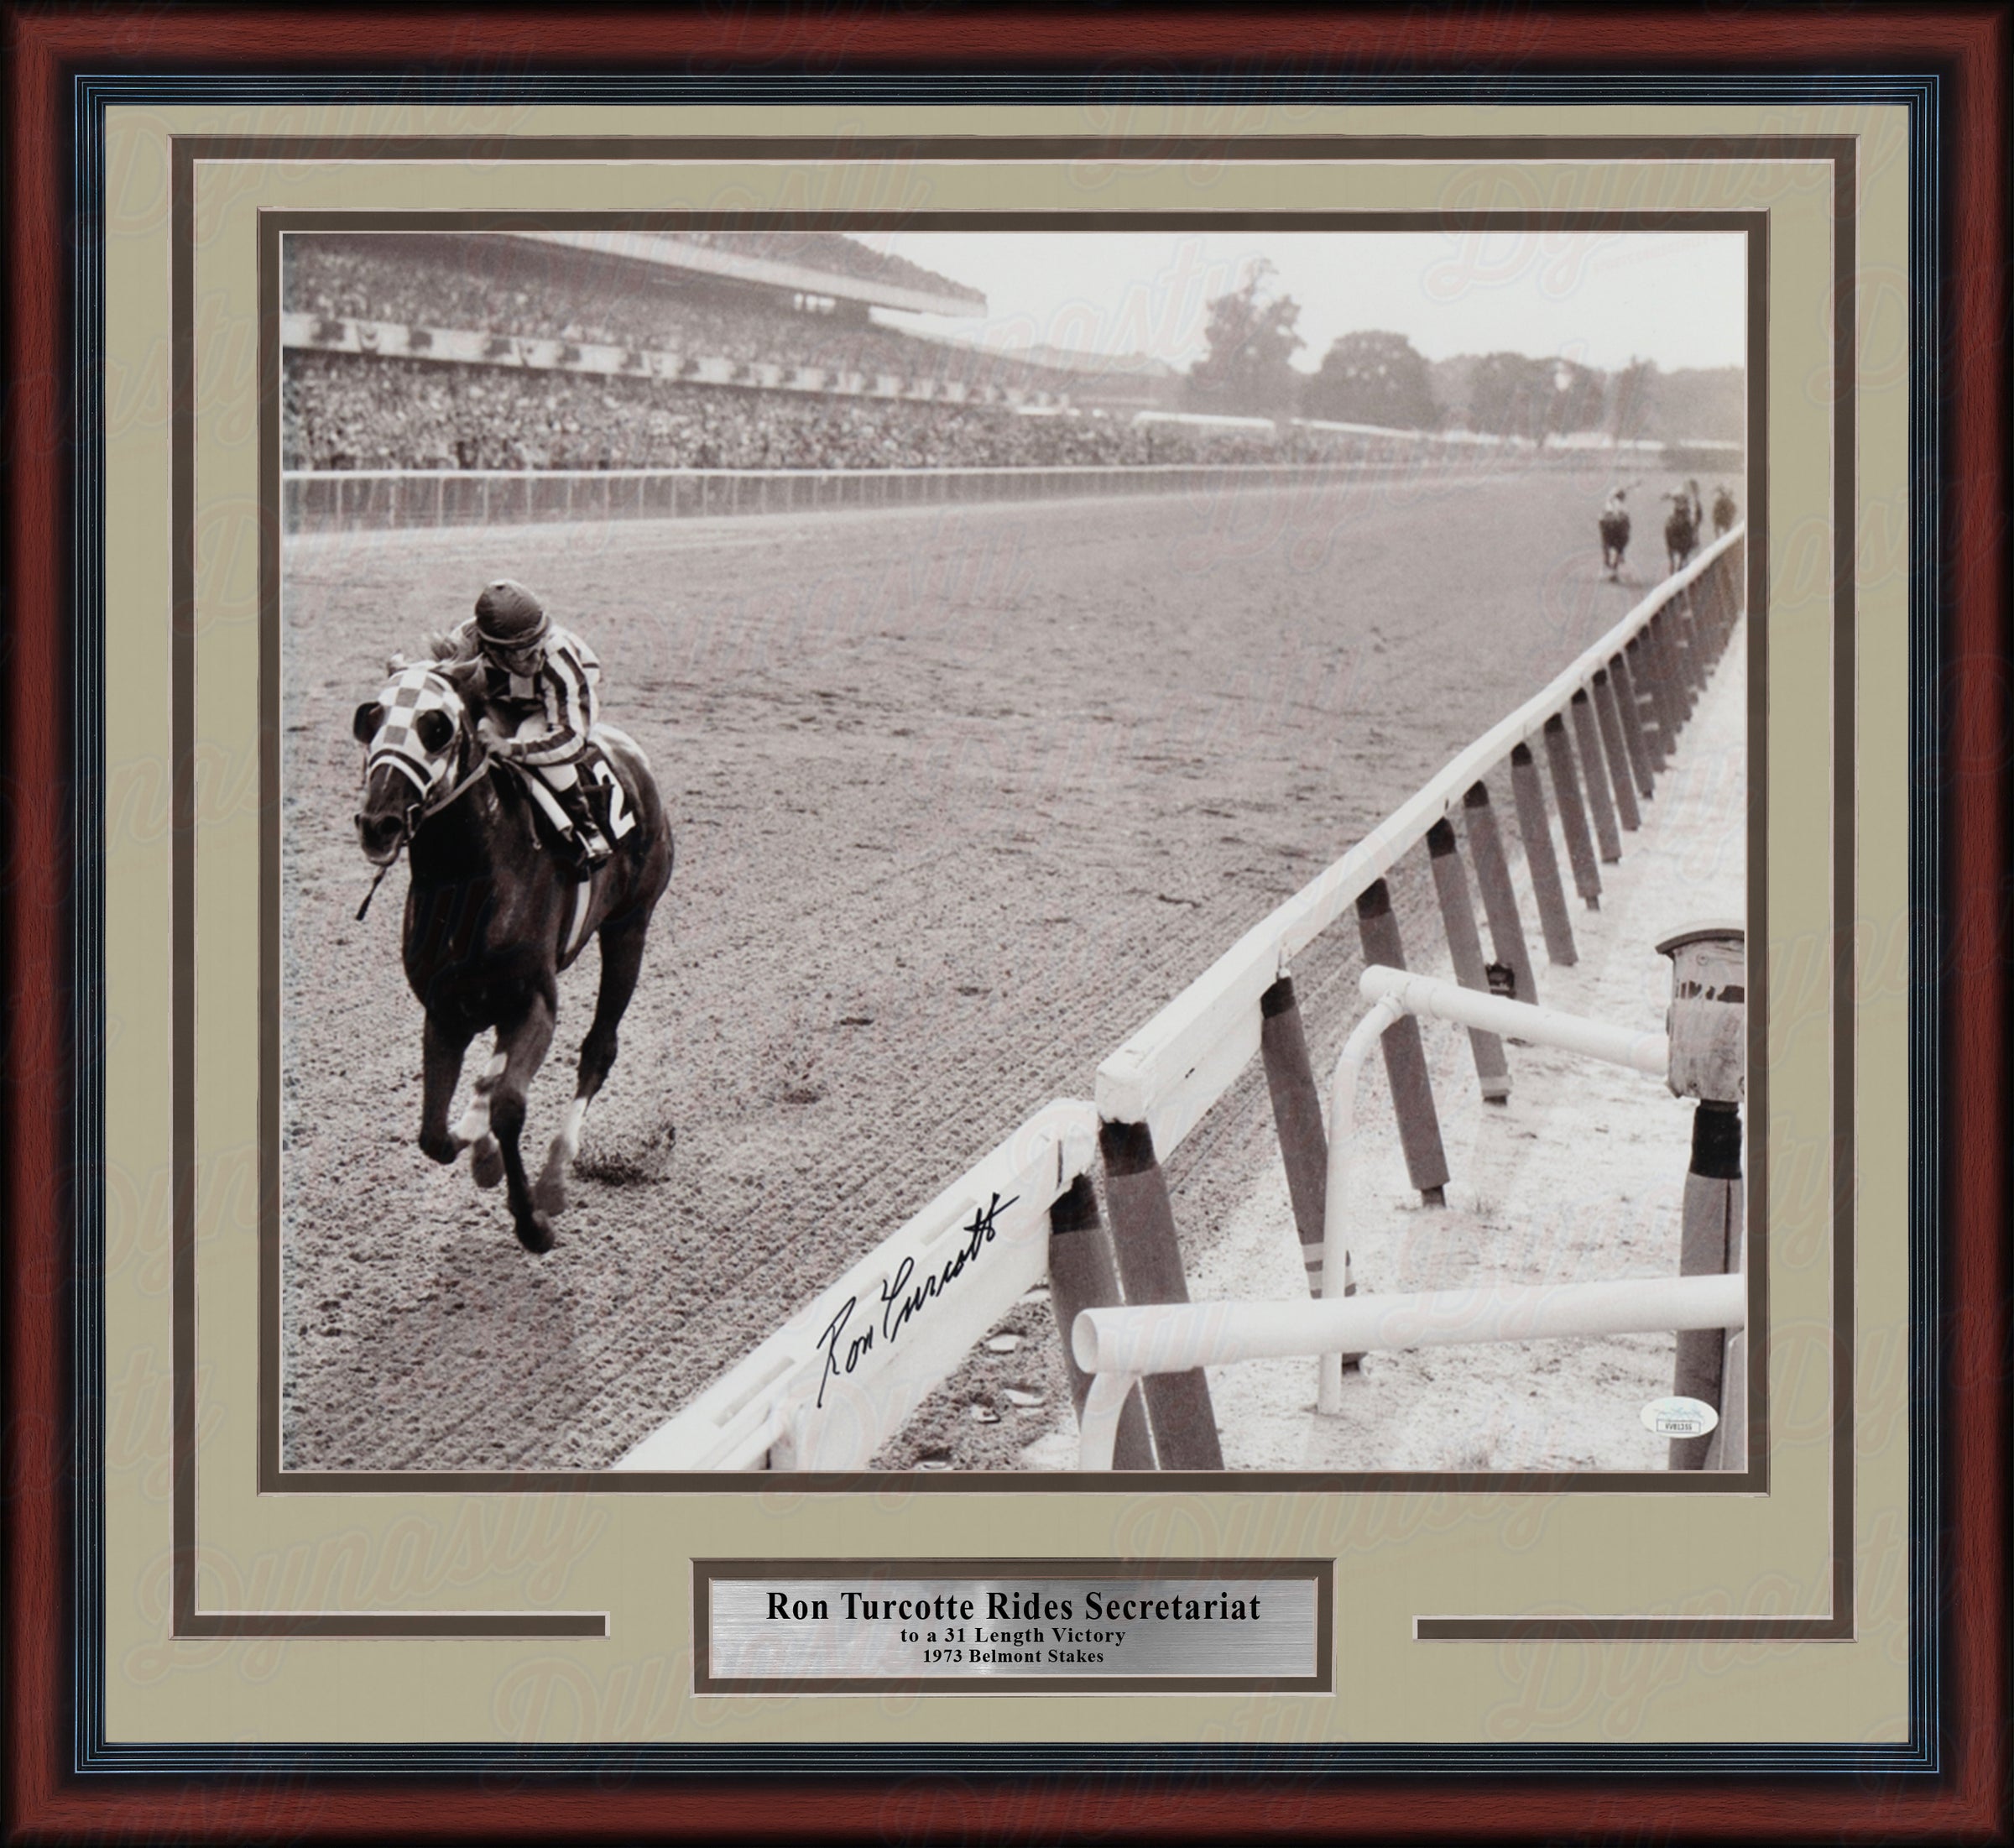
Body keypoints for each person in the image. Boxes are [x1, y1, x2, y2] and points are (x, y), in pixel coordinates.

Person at [452, 579, 613, 869]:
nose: (535, 654)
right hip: (500, 700)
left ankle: (585, 827)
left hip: (554, 702)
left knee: (529, 734)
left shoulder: (558, 656)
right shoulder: (464, 646)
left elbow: (570, 738)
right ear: (492, 648)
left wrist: (513, 748)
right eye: (520, 650)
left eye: (536, 641)